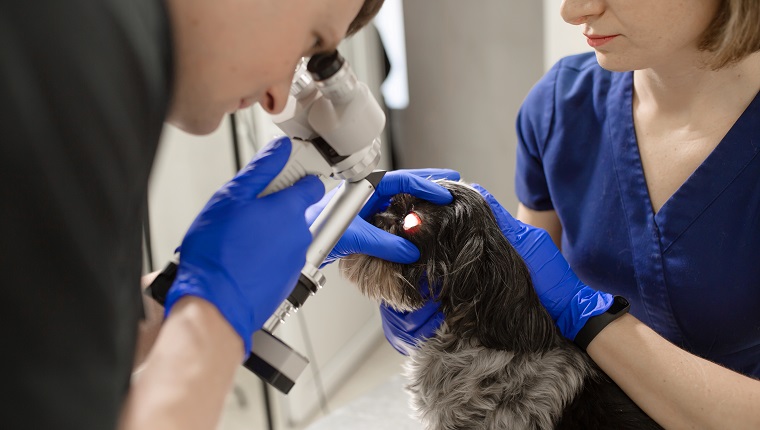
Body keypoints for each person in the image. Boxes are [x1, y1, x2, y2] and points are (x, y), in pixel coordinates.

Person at [1, 0, 460, 429]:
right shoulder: (82, 57)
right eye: (310, 43)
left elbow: (42, 337)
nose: (278, 98)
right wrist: (214, 318)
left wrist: (187, 284)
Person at [370, 0, 760, 428]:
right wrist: (456, 319)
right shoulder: (561, 105)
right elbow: (529, 317)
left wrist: (591, 319)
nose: (572, 11)